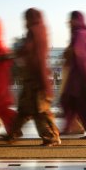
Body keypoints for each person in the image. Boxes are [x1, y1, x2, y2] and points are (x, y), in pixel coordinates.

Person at [5, 8, 61, 146]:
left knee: (39, 111)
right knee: (25, 109)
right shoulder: (40, 30)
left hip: (36, 78)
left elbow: (33, 54)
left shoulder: (35, 31)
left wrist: (16, 51)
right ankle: (13, 132)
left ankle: (51, 136)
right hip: (33, 77)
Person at [60, 11, 86, 139]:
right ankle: (73, 127)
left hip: (82, 77)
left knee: (84, 106)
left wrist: (70, 54)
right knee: (70, 103)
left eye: (71, 20)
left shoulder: (79, 34)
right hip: (78, 76)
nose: (69, 23)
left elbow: (79, 54)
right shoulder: (81, 34)